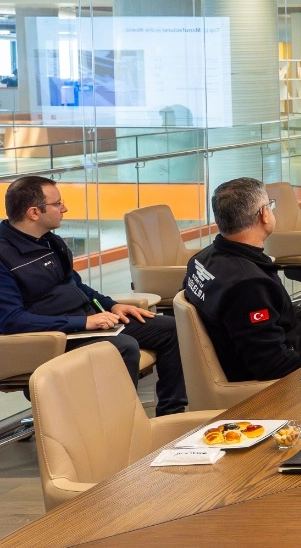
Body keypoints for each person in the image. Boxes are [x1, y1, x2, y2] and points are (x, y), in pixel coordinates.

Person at [0, 175, 186, 414]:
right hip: (50, 337)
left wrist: (111, 305)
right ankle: (117, 426)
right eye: (57, 204)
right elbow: (11, 320)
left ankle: (171, 414)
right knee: (122, 347)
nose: (64, 209)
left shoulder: (50, 242)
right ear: (34, 213)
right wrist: (83, 323)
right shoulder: (4, 257)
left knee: (169, 328)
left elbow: (76, 286)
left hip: (84, 324)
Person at [184, 178, 301, 382]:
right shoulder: (249, 285)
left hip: (234, 365)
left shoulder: (201, 260)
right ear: (264, 214)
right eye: (270, 205)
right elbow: (272, 365)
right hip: (273, 387)